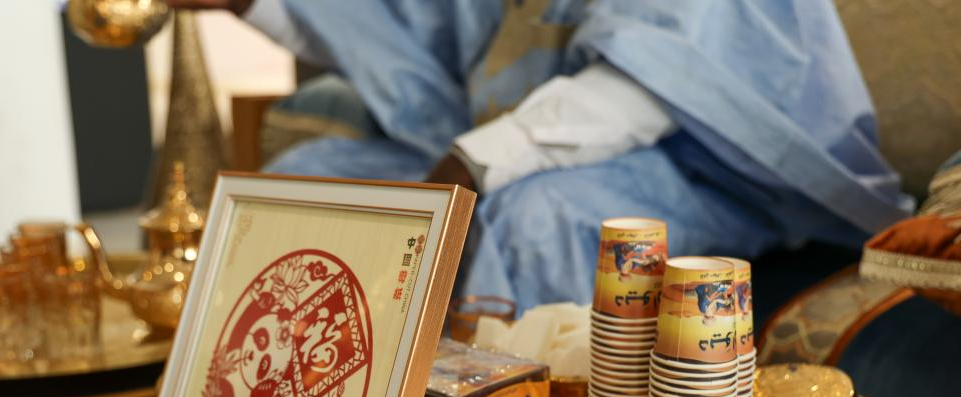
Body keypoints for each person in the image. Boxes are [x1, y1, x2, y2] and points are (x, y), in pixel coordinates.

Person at [168, 0, 913, 312]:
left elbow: (653, 81)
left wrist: (473, 164)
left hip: (708, 165)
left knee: (536, 219)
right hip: (511, 140)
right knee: (314, 181)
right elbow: (413, 39)